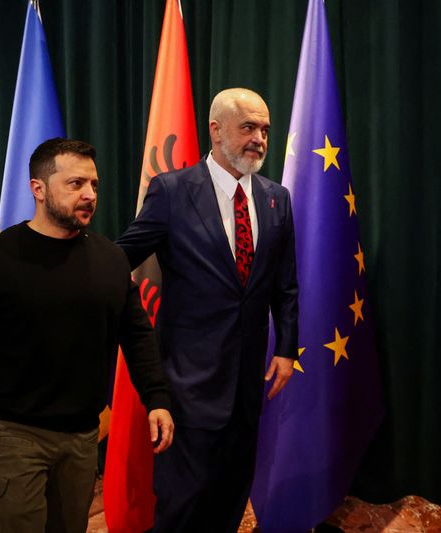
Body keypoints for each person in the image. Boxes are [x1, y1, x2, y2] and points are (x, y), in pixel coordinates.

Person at [0, 138, 174, 532]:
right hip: (13, 436)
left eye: (94, 185)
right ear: (38, 189)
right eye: (75, 184)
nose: (89, 195)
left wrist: (156, 397)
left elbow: (136, 334)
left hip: (83, 437)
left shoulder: (111, 259)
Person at [117, 88, 298, 532]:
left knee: (231, 493)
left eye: (265, 130)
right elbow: (120, 256)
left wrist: (288, 349)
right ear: (216, 131)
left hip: (248, 383)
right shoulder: (172, 192)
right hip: (188, 383)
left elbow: (285, 284)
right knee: (183, 502)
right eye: (248, 127)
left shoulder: (277, 199)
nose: (259, 138)